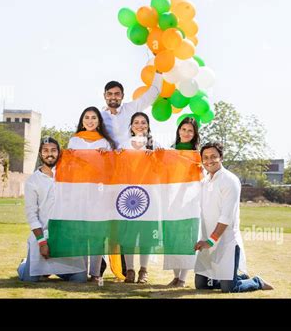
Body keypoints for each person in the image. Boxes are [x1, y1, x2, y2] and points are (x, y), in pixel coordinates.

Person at [194, 142, 274, 293]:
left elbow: (226, 217)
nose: (209, 160)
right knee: (202, 285)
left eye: (213, 157)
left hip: (226, 242)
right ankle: (237, 277)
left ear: (221, 157)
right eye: (205, 157)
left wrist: (210, 241)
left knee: (230, 288)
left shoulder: (230, 180)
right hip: (207, 241)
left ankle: (256, 281)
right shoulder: (204, 182)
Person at [18, 137, 87, 282]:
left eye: (54, 150)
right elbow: (32, 215)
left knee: (80, 280)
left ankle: (55, 270)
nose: (50, 154)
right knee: (29, 281)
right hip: (43, 238)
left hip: (66, 237)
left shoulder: (69, 176)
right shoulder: (33, 181)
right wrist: (42, 243)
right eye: (45, 151)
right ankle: (24, 263)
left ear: (59, 153)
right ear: (40, 154)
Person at [67, 107, 116, 282]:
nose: (90, 120)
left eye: (93, 117)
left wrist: (106, 157)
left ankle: (95, 273)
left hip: (99, 193)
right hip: (79, 191)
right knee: (81, 231)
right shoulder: (74, 141)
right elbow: (69, 166)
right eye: (86, 117)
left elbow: (111, 168)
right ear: (82, 120)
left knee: (97, 232)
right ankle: (81, 269)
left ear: (99, 121)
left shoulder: (105, 143)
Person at [120, 112, 163, 283]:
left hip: (150, 196)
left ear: (148, 126)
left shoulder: (156, 145)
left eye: (143, 122)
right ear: (131, 126)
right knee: (128, 233)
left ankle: (143, 270)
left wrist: (157, 158)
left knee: (146, 234)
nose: (139, 125)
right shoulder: (123, 146)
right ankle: (129, 270)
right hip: (127, 196)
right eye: (136, 122)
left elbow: (165, 168)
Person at [164, 117, 200, 288]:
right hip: (171, 201)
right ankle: (175, 276)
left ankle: (183, 278)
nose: (186, 133)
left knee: (186, 238)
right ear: (179, 130)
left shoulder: (198, 155)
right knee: (172, 237)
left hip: (189, 203)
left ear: (195, 134)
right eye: (183, 129)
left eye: (190, 131)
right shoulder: (170, 151)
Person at [101, 74, 162, 148]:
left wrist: (159, 72)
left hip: (130, 156)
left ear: (122, 96)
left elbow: (152, 94)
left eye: (117, 94)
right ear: (104, 96)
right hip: (107, 157)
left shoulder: (130, 108)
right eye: (109, 94)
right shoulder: (99, 117)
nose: (113, 97)